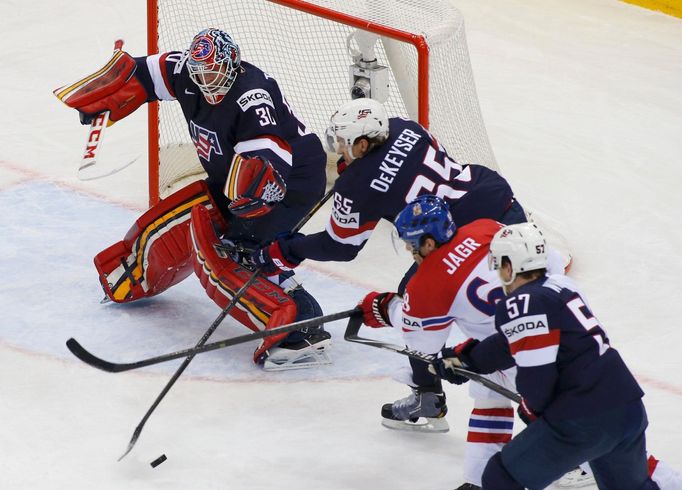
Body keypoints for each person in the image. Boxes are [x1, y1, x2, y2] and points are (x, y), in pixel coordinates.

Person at [53, 28, 330, 370]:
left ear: (232, 66)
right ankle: (132, 277)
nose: (207, 82)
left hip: (289, 179)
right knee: (182, 220)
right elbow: (139, 73)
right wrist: (105, 101)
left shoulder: (251, 96)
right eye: (201, 74)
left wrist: (252, 210)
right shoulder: (186, 72)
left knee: (239, 254)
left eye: (214, 73)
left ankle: (300, 332)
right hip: (232, 176)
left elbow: (268, 155)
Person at [431, 222, 682, 489]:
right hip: (627, 407)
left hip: (584, 417)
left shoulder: (521, 302)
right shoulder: (560, 286)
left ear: (508, 266)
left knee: (501, 476)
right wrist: (465, 358)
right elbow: (508, 345)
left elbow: (537, 380)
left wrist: (534, 407)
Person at [355, 195, 544, 490]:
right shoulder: (484, 227)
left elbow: (423, 345)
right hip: (542, 324)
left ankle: (584, 467)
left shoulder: (427, 282)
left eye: (412, 242)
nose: (408, 248)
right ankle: (480, 480)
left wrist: (385, 308)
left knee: (558, 415)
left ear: (429, 243)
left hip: (518, 351)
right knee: (489, 394)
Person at [250, 97, 527, 297]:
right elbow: (417, 162)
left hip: (463, 236)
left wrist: (287, 250)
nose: (339, 149)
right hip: (499, 199)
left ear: (362, 143)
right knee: (531, 283)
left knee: (412, 297)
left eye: (344, 143)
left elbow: (341, 246)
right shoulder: (405, 126)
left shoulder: (356, 186)